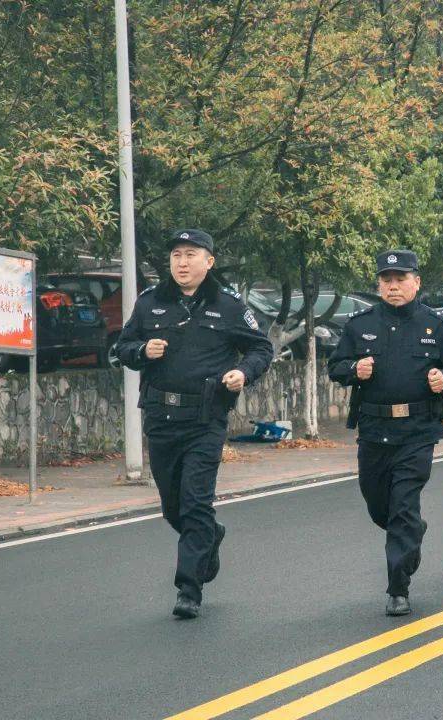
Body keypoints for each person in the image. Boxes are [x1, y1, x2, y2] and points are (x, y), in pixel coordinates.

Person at [116, 228, 274, 619]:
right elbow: (120, 348)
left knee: (195, 501)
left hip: (205, 419)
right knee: (173, 507)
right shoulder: (151, 303)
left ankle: (189, 588)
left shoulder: (230, 305)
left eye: (191, 254)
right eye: (176, 255)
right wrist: (141, 350)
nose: (182, 262)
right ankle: (209, 536)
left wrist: (242, 373)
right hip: (161, 417)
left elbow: (261, 347)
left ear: (209, 261)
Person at [328, 249, 443, 616]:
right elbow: (336, 366)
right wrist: (353, 369)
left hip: (417, 432)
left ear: (416, 282)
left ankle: (398, 587)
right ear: (379, 284)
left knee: (403, 505)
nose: (393, 286)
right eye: (387, 280)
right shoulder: (360, 325)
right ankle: (410, 531)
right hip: (374, 431)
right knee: (380, 507)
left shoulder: (436, 325)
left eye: (401, 279)